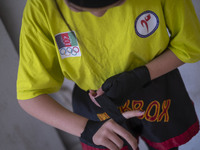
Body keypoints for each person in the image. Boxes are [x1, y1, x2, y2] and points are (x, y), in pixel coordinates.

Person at [17, 0, 200, 149]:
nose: (99, 13)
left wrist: (141, 75)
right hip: (96, 105)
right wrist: (87, 129)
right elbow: (30, 95)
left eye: (115, 3)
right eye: (79, 8)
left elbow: (189, 46)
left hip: (158, 89)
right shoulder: (42, 7)